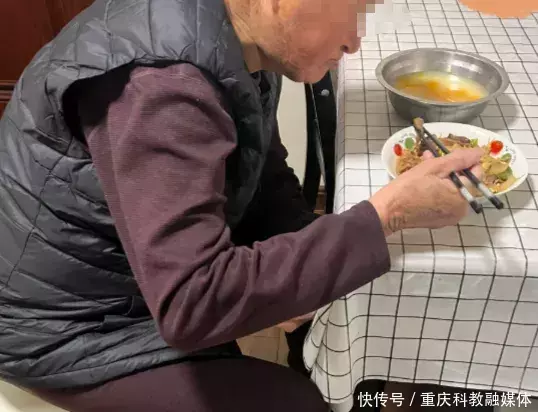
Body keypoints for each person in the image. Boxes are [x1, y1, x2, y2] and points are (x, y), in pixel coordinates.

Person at [0, 0, 484, 410]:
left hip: (136, 277)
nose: (355, 42)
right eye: (352, 10)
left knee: (328, 299)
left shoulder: (234, 40)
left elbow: (262, 172)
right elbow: (192, 304)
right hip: (61, 324)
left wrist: (306, 270)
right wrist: (388, 215)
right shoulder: (163, 86)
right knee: (294, 403)